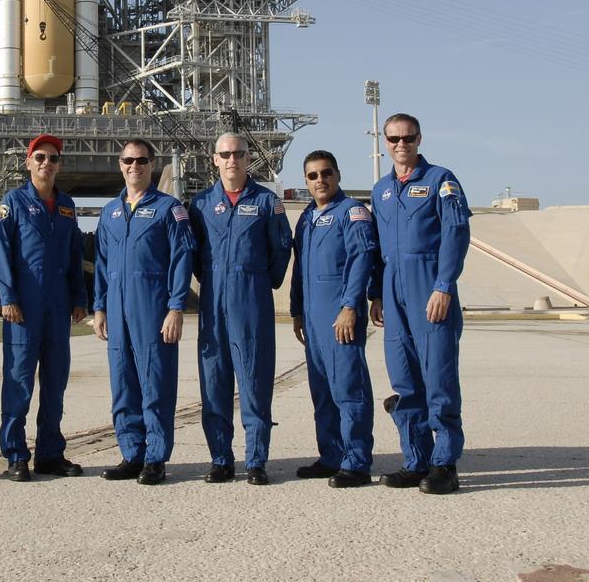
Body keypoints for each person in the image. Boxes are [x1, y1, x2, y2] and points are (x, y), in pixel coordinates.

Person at [370, 113, 471, 495]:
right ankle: (416, 460)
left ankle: (445, 463)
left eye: (408, 138)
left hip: (429, 287)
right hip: (393, 291)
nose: (401, 144)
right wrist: (375, 294)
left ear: (419, 139)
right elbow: (377, 249)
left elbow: (456, 233)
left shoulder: (440, 180)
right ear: (385, 140)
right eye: (394, 138)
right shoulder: (381, 190)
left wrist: (444, 286)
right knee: (404, 379)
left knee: (438, 378)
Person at [188, 132, 292, 485]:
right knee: (214, 382)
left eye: (239, 153)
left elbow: (281, 248)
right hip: (213, 301)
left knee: (254, 380)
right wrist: (216, 280)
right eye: (225, 154)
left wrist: (260, 281)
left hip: (252, 300)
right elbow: (195, 255)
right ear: (214, 159)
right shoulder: (200, 204)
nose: (232, 159)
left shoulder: (267, 202)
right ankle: (220, 459)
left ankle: (256, 460)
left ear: (249, 159)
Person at [93, 139, 195, 486]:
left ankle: (155, 457)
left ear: (152, 164)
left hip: (152, 307)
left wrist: (176, 306)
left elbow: (182, 259)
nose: (134, 166)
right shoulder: (110, 212)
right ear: (119, 164)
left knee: (155, 382)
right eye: (127, 160)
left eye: (141, 160)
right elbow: (102, 265)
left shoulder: (169, 209)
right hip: (117, 308)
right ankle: (131, 453)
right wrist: (100, 307)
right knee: (123, 382)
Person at [0, 133, 88, 481]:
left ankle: (50, 453)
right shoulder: (12, 203)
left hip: (58, 306)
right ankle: (16, 454)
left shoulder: (66, 206)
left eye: (53, 158)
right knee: (18, 382)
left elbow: (74, 257)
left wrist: (79, 298)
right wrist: (7, 297)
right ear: (28, 162)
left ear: (59, 165)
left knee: (55, 381)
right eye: (41, 157)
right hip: (23, 308)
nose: (47, 163)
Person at [289, 151, 381, 488]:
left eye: (326, 173)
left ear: (338, 175)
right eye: (312, 176)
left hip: (341, 315)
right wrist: (296, 310)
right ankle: (331, 456)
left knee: (349, 389)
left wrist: (350, 306)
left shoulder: (352, 213)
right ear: (306, 181)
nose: (320, 180)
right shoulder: (307, 218)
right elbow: (299, 269)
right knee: (323, 391)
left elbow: (361, 260)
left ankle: (356, 461)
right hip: (312, 319)